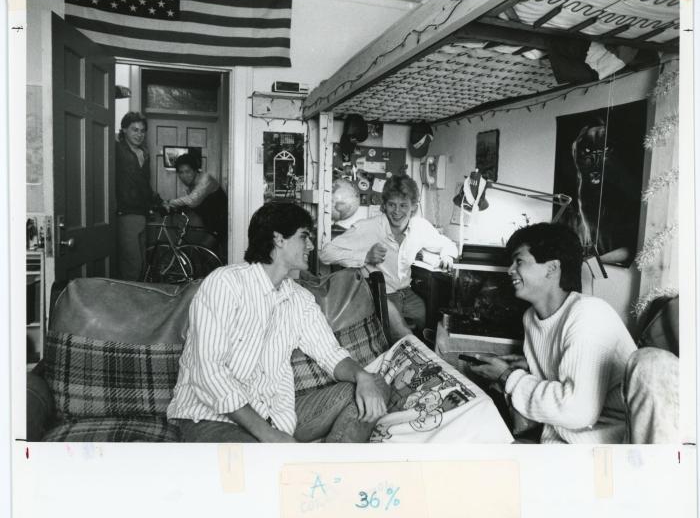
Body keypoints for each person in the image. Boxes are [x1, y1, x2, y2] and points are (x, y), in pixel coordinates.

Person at [167, 202, 389, 442]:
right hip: (212, 417)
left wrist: (362, 377)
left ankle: (328, 466)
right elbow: (209, 372)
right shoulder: (225, 283)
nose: (311, 245)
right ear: (279, 239)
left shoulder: (300, 299)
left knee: (376, 384)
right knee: (259, 468)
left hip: (276, 417)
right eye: (304, 237)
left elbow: (331, 355)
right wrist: (269, 436)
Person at [467, 223, 637, 443]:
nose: (510, 270)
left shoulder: (588, 314)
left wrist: (508, 376)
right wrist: (528, 369)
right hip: (556, 439)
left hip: (606, 446)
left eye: (519, 261)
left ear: (552, 268)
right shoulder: (530, 317)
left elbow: (578, 411)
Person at [319, 174, 457, 343]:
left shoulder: (420, 227)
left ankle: (422, 358)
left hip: (406, 293)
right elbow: (325, 253)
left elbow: (447, 244)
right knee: (402, 335)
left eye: (403, 205)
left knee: (429, 321)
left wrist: (447, 255)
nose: (397, 211)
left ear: (413, 206)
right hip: (379, 292)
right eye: (392, 204)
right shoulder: (368, 227)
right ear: (384, 205)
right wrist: (365, 256)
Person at [115, 112, 163, 281]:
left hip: (141, 215)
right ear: (124, 130)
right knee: (132, 264)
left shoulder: (144, 153)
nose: (139, 134)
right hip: (125, 215)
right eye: (134, 130)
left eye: (142, 131)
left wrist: (160, 202)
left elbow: (144, 185)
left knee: (142, 263)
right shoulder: (117, 149)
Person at [167, 154, 228, 256]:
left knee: (201, 253)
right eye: (181, 172)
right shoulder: (191, 186)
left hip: (221, 225)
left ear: (195, 170)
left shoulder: (206, 179)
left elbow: (192, 201)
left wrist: (169, 202)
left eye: (188, 171)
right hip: (208, 224)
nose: (184, 176)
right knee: (195, 252)